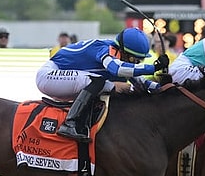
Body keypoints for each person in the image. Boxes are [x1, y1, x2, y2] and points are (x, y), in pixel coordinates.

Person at [35, 27, 167, 142]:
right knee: (99, 82)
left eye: (140, 60)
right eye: (134, 59)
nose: (136, 63)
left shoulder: (118, 53)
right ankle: (70, 124)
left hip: (67, 78)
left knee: (107, 84)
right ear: (124, 51)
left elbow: (139, 80)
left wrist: (163, 88)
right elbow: (117, 69)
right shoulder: (105, 49)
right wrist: (153, 67)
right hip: (49, 75)